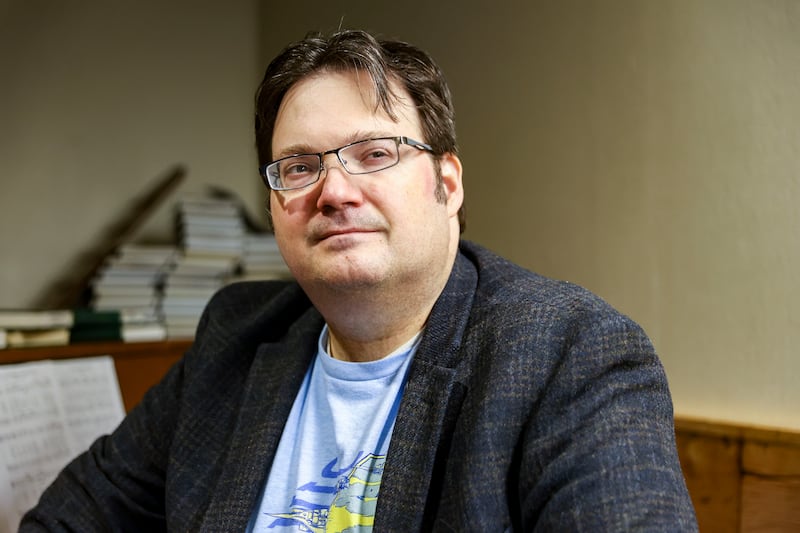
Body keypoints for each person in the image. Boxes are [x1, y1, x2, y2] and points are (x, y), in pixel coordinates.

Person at [21, 29, 697, 531]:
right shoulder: (235, 335)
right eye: (299, 167)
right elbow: (68, 518)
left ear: (448, 182)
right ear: (274, 206)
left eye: (374, 154)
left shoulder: (569, 354)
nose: (335, 191)